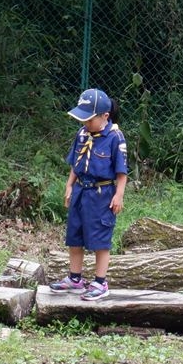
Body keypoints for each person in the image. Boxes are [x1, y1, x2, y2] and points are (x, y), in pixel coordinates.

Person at [49, 88, 128, 301]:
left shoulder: (114, 137)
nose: (85, 124)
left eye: (89, 120)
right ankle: (75, 279)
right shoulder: (82, 134)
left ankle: (101, 283)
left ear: (105, 116)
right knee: (75, 236)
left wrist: (118, 195)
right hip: (80, 192)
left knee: (100, 239)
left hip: (102, 194)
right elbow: (75, 163)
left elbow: (122, 173)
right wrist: (69, 186)